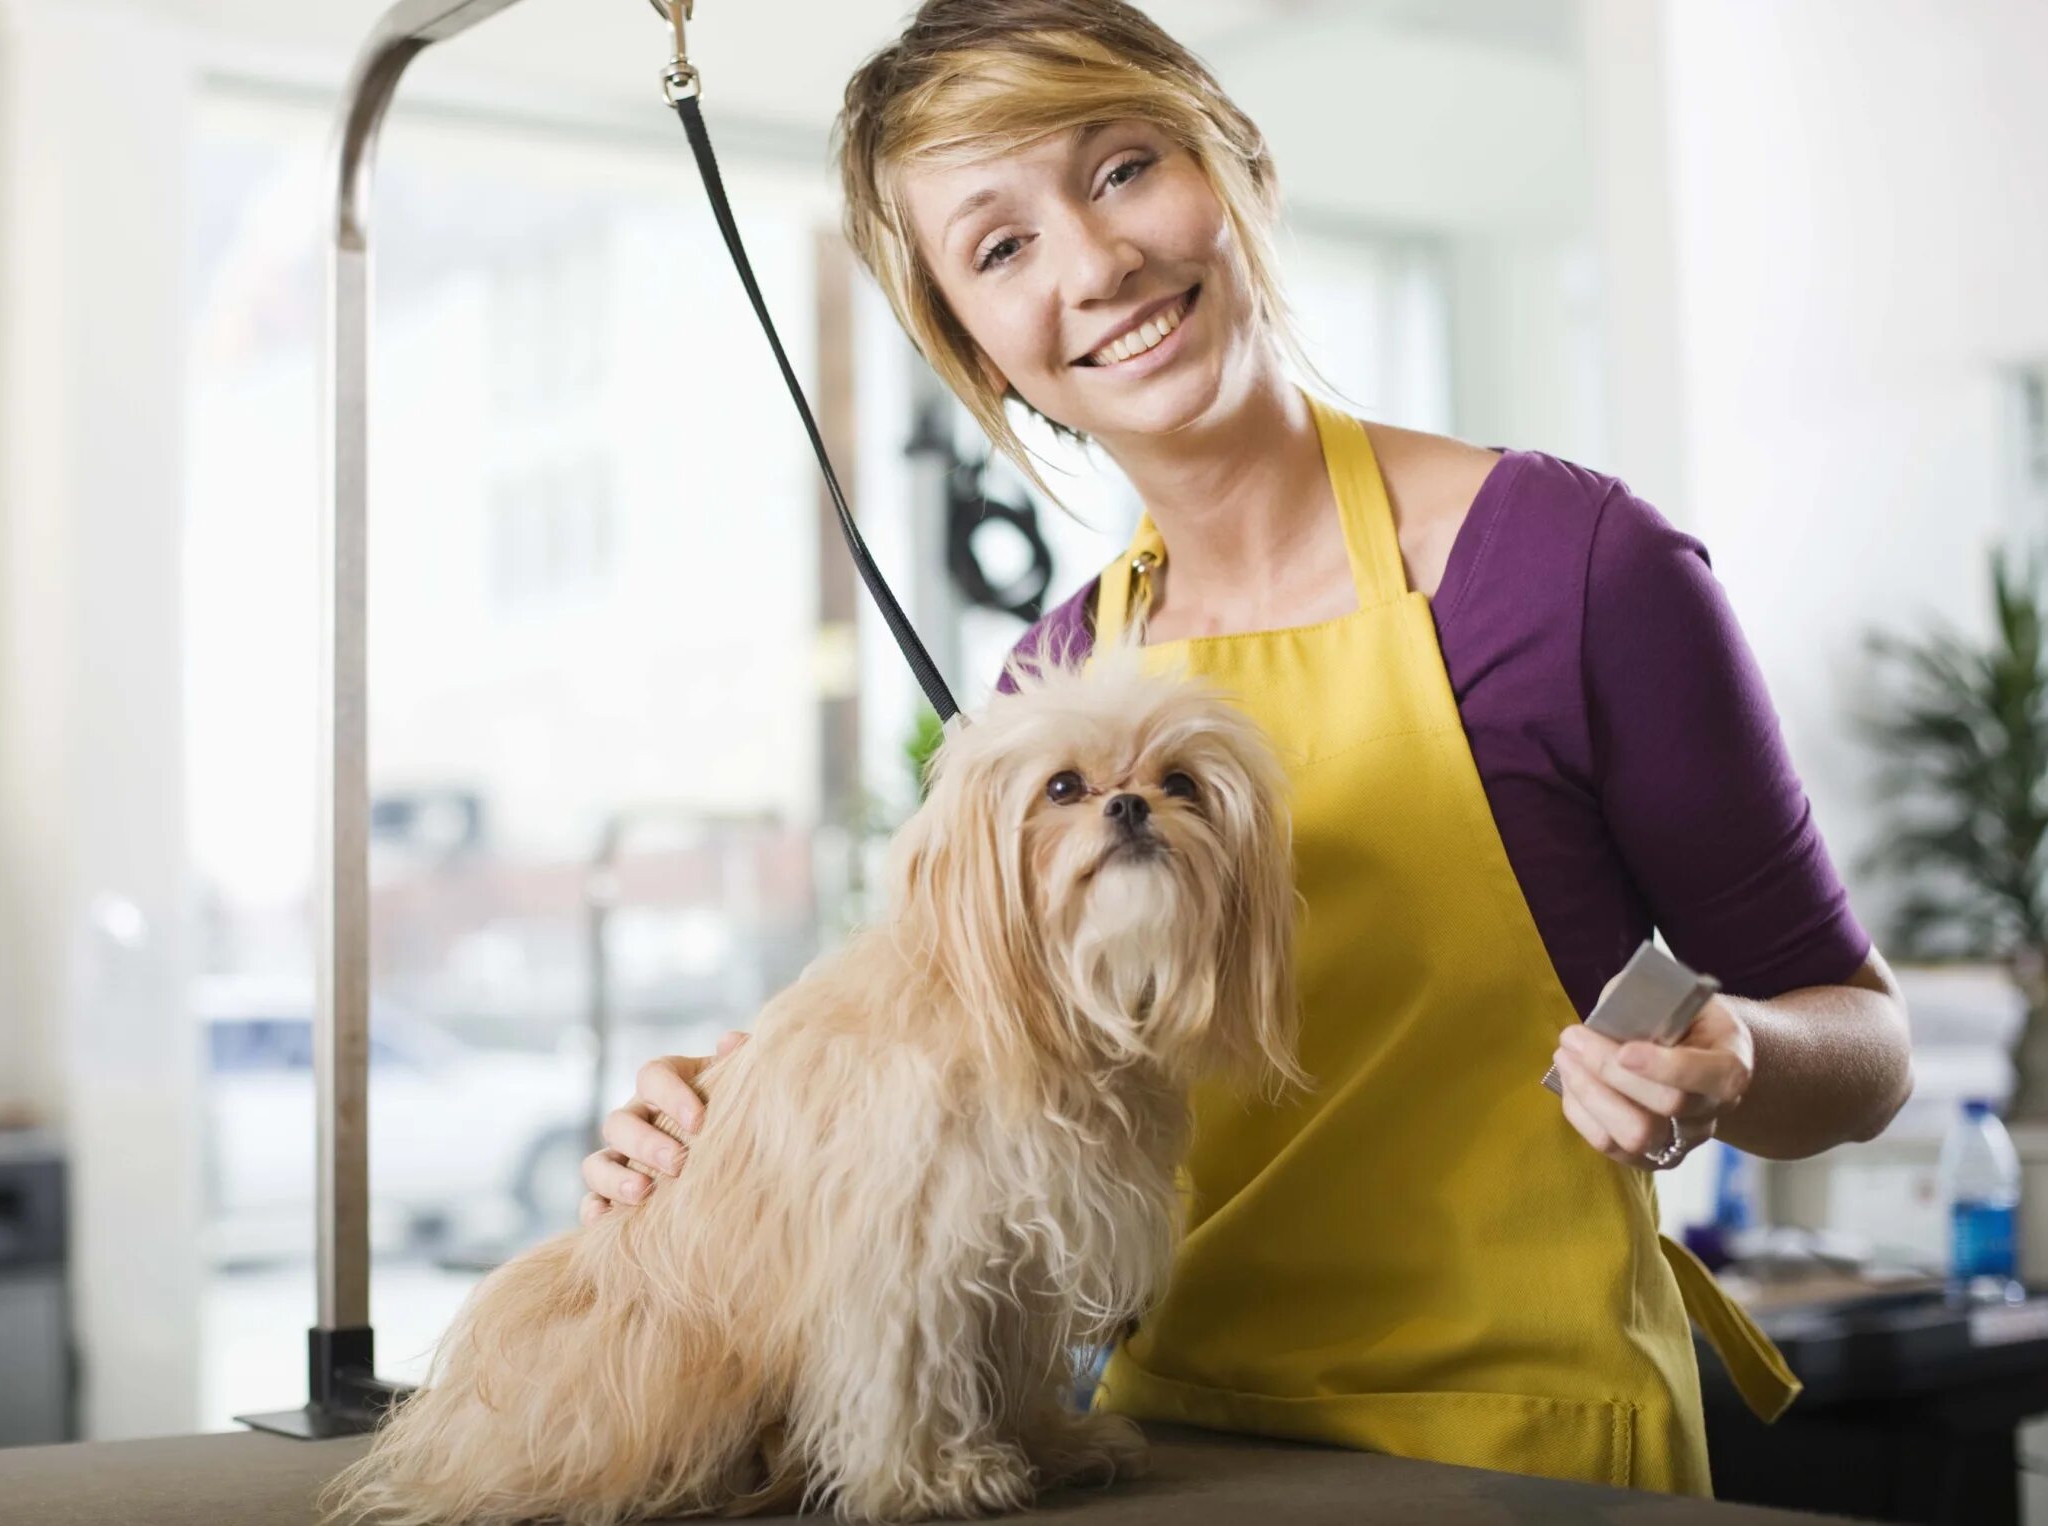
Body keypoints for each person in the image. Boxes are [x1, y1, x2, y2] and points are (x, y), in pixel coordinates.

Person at [582, 0, 1914, 1496]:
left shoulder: (1572, 570)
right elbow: (934, 1038)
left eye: (1120, 167)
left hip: (1522, 1453)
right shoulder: (1054, 683)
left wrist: (1733, 1059)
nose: (1095, 265)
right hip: (1157, 1446)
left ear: (1240, 166)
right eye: (999, 246)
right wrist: (720, 1111)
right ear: (978, 351)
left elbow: (1864, 1046)